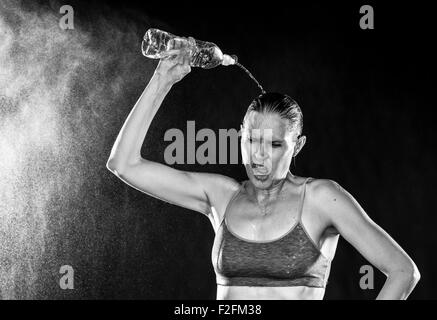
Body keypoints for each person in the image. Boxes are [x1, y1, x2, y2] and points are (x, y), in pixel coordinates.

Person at [106, 38, 420, 300]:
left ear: (296, 146)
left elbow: (403, 271)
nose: (259, 156)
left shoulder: (321, 198)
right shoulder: (221, 196)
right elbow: (124, 164)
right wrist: (162, 80)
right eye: (252, 140)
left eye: (274, 145)